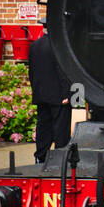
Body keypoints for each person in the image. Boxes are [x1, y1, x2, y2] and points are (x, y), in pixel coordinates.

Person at [28, 22, 72, 163]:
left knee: (43, 127)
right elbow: (63, 72)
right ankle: (60, 158)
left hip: (41, 94)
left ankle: (41, 156)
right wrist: (67, 93)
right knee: (61, 129)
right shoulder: (59, 46)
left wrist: (36, 90)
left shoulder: (34, 46)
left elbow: (32, 72)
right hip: (59, 95)